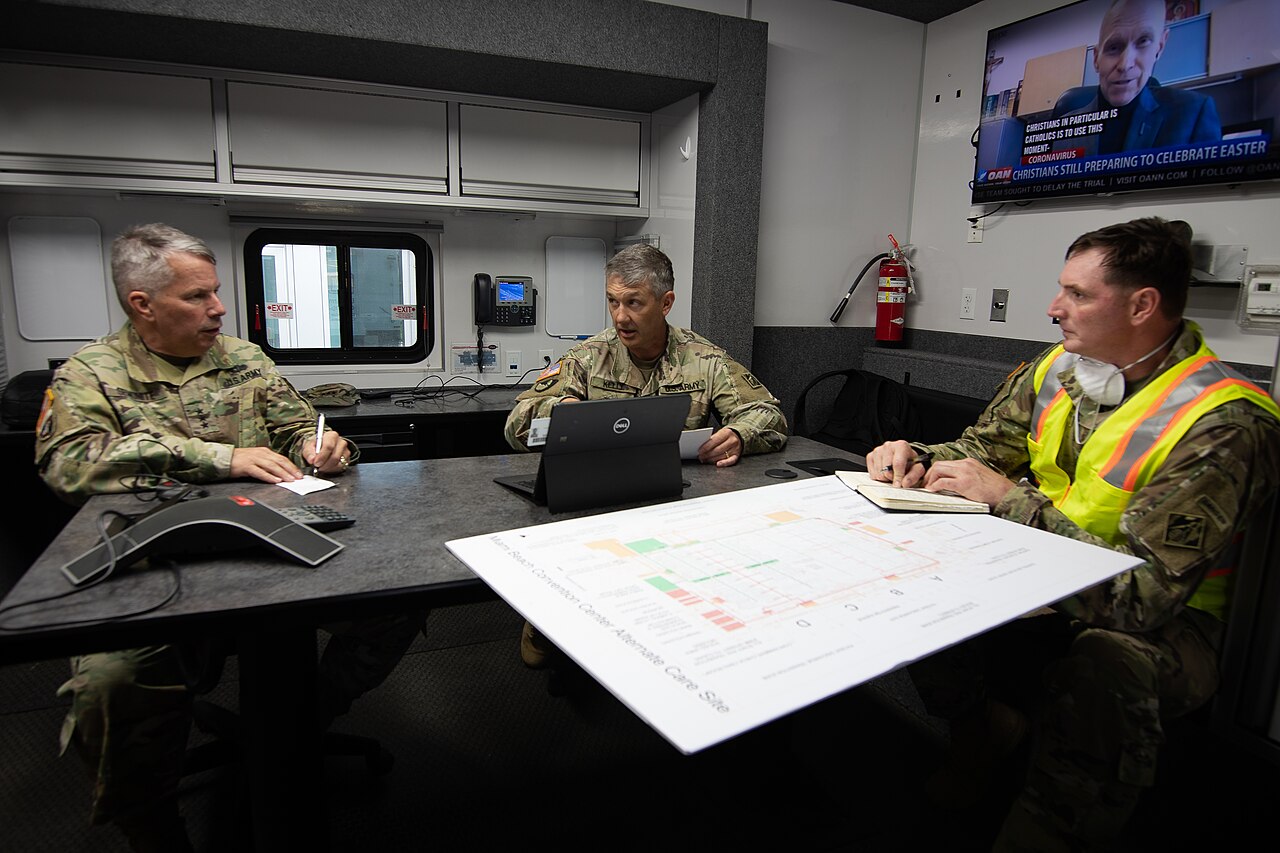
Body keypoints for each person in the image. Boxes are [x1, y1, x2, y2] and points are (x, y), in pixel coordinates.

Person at [866, 217, 1280, 850]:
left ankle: (1053, 826)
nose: (1055, 309)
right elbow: (983, 448)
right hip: (1045, 567)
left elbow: (1141, 598)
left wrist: (1008, 501)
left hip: (1164, 622)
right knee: (906, 573)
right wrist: (917, 456)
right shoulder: (1059, 369)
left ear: (1143, 305)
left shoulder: (1224, 423)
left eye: (1078, 294)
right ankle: (981, 731)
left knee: (1106, 664)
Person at [35, 223, 425, 852]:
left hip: (273, 543)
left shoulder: (244, 359)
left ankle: (305, 722)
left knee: (398, 601)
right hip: (157, 560)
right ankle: (153, 827)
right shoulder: (92, 374)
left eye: (215, 293)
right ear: (143, 304)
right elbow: (69, 462)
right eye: (198, 297)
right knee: (111, 678)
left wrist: (323, 446)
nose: (218, 308)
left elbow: (302, 423)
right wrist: (217, 457)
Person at [503, 242, 788, 666]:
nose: (620, 317)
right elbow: (516, 423)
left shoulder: (704, 359)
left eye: (634, 303)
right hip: (595, 504)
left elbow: (768, 413)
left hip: (674, 504)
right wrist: (558, 411)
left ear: (666, 302)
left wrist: (740, 433)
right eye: (613, 302)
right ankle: (546, 619)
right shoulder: (587, 357)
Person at [1052, 0, 1220, 156]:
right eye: (1114, 47)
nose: (1125, 65)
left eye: (1142, 42)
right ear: (1096, 59)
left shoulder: (1194, 113)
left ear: (1159, 47)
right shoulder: (1062, 130)